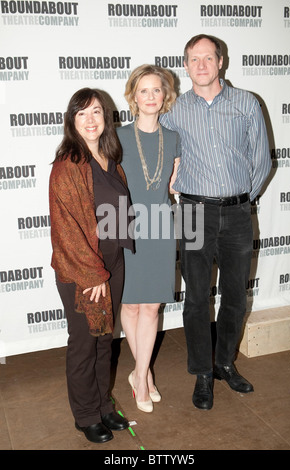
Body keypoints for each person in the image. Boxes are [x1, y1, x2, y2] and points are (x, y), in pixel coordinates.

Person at [160, 34, 271, 410]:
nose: (202, 65)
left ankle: (224, 363)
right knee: (195, 299)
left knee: (236, 296)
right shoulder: (173, 109)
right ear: (186, 65)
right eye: (194, 59)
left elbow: (262, 161)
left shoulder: (246, 104)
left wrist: (242, 200)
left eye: (208, 57)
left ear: (220, 61)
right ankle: (202, 374)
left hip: (239, 213)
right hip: (193, 211)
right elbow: (152, 144)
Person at [49, 88, 134, 443]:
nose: (90, 120)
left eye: (96, 112)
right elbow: (66, 227)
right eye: (81, 113)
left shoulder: (110, 159)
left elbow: (119, 211)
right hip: (82, 271)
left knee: (104, 341)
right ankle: (85, 415)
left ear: (106, 118)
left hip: (112, 263)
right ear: (72, 121)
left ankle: (103, 405)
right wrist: (92, 273)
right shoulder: (68, 164)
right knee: (84, 344)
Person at [117, 65, 180, 412]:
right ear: (133, 96)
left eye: (157, 90)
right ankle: (145, 374)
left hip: (159, 225)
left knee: (152, 306)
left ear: (165, 96)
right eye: (144, 91)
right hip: (123, 224)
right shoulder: (118, 136)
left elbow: (174, 183)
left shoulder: (173, 138)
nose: (151, 97)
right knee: (130, 305)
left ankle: (140, 377)